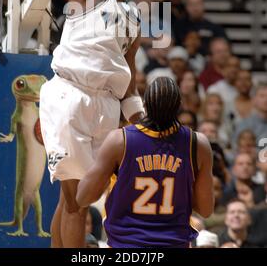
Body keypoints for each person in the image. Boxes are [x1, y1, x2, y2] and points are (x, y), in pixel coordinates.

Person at [39, 0, 154, 248]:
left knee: (72, 199)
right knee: (77, 201)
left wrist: (140, 123)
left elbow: (130, 80)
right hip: (72, 95)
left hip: (106, 107)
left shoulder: (135, 20)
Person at [77, 77, 214, 248]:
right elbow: (206, 209)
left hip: (126, 246)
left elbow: (83, 197)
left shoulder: (120, 140)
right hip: (174, 243)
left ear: (145, 104)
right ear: (179, 106)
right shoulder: (197, 144)